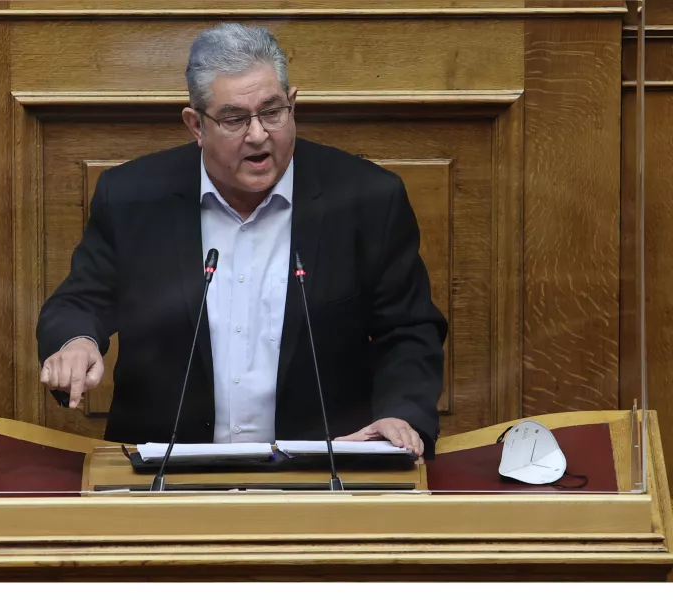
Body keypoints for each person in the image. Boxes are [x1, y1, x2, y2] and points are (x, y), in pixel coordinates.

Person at [37, 23, 447, 458]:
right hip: (165, 471)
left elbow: (408, 329)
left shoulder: (367, 198)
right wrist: (76, 342)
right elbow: (81, 301)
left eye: (272, 112)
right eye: (234, 119)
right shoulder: (131, 197)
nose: (258, 135)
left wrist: (401, 413)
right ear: (196, 125)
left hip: (323, 469)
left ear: (292, 104)